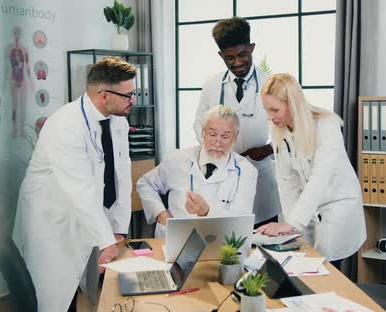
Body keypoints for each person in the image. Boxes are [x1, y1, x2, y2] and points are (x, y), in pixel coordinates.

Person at [12, 56, 136, 312]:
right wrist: (106, 240)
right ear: (103, 95)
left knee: (85, 293)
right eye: (128, 95)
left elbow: (121, 176)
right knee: (54, 300)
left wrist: (119, 227)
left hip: (84, 216)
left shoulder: (118, 122)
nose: (133, 100)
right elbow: (80, 190)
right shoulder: (66, 125)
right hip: (51, 222)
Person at [255, 73, 366, 272]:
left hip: (338, 206)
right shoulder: (278, 129)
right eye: (266, 109)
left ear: (293, 104)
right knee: (304, 265)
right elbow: (286, 182)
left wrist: (293, 222)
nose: (270, 116)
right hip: (310, 210)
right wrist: (290, 229)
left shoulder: (326, 125)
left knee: (329, 270)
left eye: (275, 109)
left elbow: (320, 178)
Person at [194, 17, 280, 228]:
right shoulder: (212, 85)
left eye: (243, 55)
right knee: (226, 240)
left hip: (260, 175)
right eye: (229, 57)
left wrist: (268, 149)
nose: (237, 63)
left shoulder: (271, 84)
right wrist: (219, 149)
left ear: (251, 48)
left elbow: (291, 132)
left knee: (263, 243)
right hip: (224, 174)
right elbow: (199, 125)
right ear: (221, 55)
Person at [138, 106, 258, 237]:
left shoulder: (246, 171)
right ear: (203, 133)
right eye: (212, 134)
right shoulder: (177, 159)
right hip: (173, 237)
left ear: (235, 138)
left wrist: (207, 212)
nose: (217, 142)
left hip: (218, 242)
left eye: (224, 136)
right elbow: (145, 184)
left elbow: (241, 222)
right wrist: (160, 214)